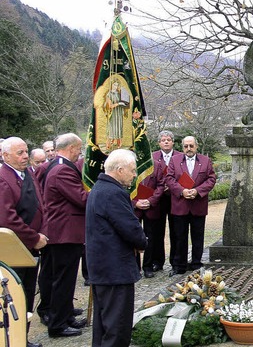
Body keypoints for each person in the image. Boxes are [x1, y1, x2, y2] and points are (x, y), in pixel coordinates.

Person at [86, 149, 148, 347]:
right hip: (114, 270)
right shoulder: (113, 193)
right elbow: (130, 228)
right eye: (132, 170)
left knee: (104, 325)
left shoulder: (100, 188)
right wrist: (142, 242)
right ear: (119, 170)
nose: (134, 174)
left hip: (104, 268)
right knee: (116, 328)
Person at [38, 132, 88, 337]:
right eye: (78, 148)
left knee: (65, 279)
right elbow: (82, 199)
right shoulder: (62, 170)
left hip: (64, 231)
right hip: (64, 232)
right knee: (63, 279)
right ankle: (58, 325)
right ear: (70, 148)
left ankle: (66, 315)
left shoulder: (58, 165)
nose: (80, 152)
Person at [0, 137, 48, 347]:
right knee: (15, 294)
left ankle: (24, 337)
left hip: (33, 247)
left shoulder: (28, 172)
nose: (25, 156)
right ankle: (14, 338)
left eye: (26, 151)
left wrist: (43, 232)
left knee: (28, 291)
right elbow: (7, 218)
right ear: (5, 156)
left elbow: (41, 203)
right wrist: (34, 237)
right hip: (15, 250)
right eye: (19, 153)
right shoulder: (3, 178)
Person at [165, 136, 216, 276]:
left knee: (197, 237)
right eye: (186, 146)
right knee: (179, 237)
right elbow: (169, 178)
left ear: (196, 146)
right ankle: (179, 265)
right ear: (182, 147)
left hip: (198, 205)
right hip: (180, 205)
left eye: (191, 146)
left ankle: (196, 263)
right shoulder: (174, 161)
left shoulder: (205, 161)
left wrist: (197, 191)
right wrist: (182, 191)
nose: (188, 149)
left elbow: (211, 179)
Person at [134, 130, 180, 277]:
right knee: (156, 233)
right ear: (158, 143)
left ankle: (175, 261)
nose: (166, 142)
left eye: (168, 139)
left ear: (173, 142)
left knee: (175, 232)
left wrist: (172, 186)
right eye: (163, 140)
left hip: (174, 198)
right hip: (155, 201)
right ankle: (156, 261)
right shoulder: (152, 158)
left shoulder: (180, 157)